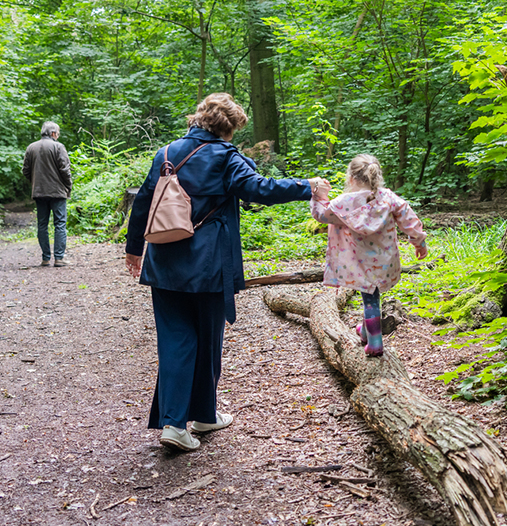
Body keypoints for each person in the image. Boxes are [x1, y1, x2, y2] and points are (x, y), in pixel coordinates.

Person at [125, 93, 330, 452]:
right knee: (207, 339)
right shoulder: (225, 156)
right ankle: (178, 424)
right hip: (207, 265)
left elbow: (144, 200)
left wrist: (133, 250)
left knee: (176, 340)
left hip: (165, 263)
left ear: (199, 118)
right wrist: (307, 186)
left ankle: (199, 417)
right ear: (229, 127)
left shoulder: (167, 153)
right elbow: (259, 188)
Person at [310, 154, 427, 357]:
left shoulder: (344, 203)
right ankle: (365, 331)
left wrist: (319, 196)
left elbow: (321, 215)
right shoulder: (388, 198)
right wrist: (419, 242)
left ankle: (375, 342)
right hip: (383, 261)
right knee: (371, 294)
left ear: (351, 179)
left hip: (357, 263)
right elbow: (409, 217)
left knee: (370, 299)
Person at [22, 121, 72, 267]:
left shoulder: (31, 147)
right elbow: (65, 170)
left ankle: (45, 258)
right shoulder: (58, 147)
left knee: (42, 225)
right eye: (58, 132)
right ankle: (59, 258)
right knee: (60, 224)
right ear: (53, 133)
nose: (58, 135)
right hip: (58, 192)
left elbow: (25, 170)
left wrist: (35, 182)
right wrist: (68, 185)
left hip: (39, 192)